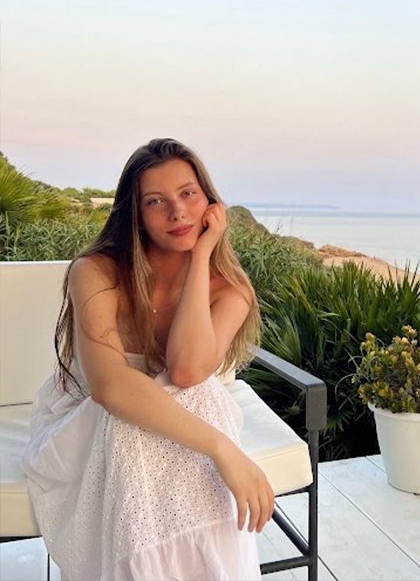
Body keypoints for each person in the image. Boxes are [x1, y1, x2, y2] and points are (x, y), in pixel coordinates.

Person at [23, 138, 275, 581]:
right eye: (156, 201)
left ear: (209, 201)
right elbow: (110, 387)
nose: (177, 212)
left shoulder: (229, 290)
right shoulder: (98, 271)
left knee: (197, 397)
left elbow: (186, 370)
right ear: (135, 214)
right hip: (90, 414)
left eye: (188, 194)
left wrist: (200, 258)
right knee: (128, 423)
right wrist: (224, 449)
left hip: (179, 411)